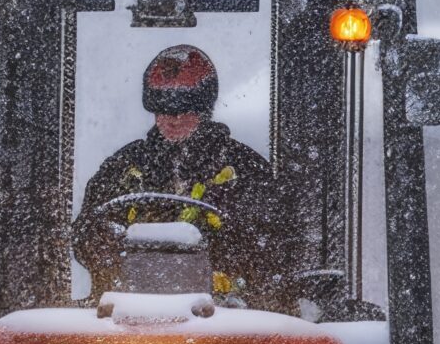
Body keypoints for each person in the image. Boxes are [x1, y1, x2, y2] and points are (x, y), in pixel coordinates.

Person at [73, 45, 290, 302]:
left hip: (221, 312)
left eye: (183, 108)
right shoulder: (123, 167)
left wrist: (222, 254)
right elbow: (86, 233)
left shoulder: (244, 170)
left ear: (203, 109)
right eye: (163, 109)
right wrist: (115, 250)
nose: (173, 118)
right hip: (129, 311)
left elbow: (272, 241)